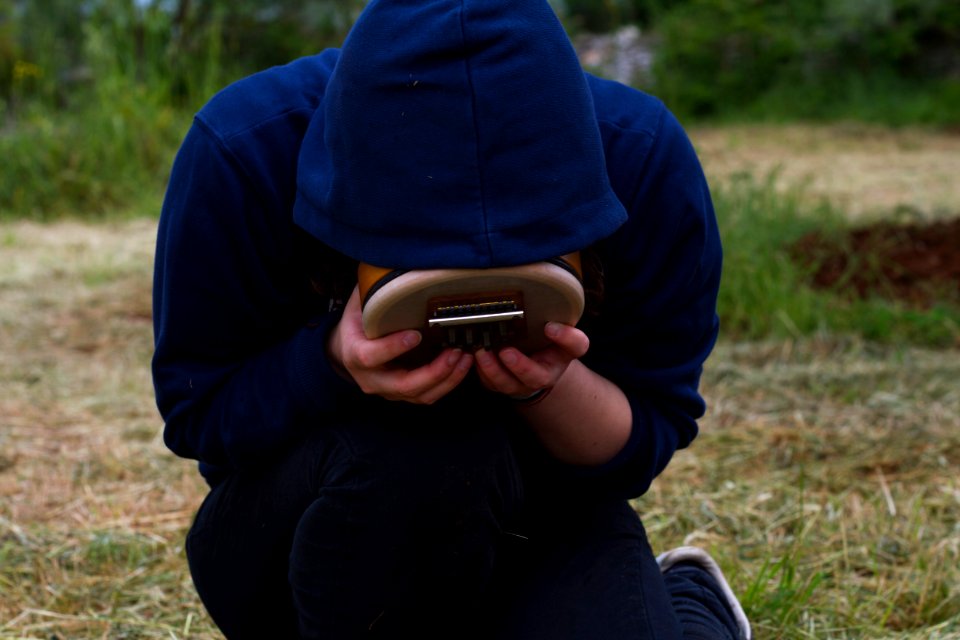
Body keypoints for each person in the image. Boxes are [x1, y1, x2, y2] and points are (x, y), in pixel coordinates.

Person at [151, 0, 751, 638]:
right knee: (420, 459)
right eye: (418, 251)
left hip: (539, 510)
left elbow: (642, 443)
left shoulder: (641, 159)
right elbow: (200, 416)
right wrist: (329, 363)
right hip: (316, 520)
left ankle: (688, 608)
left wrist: (549, 385)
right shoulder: (248, 149)